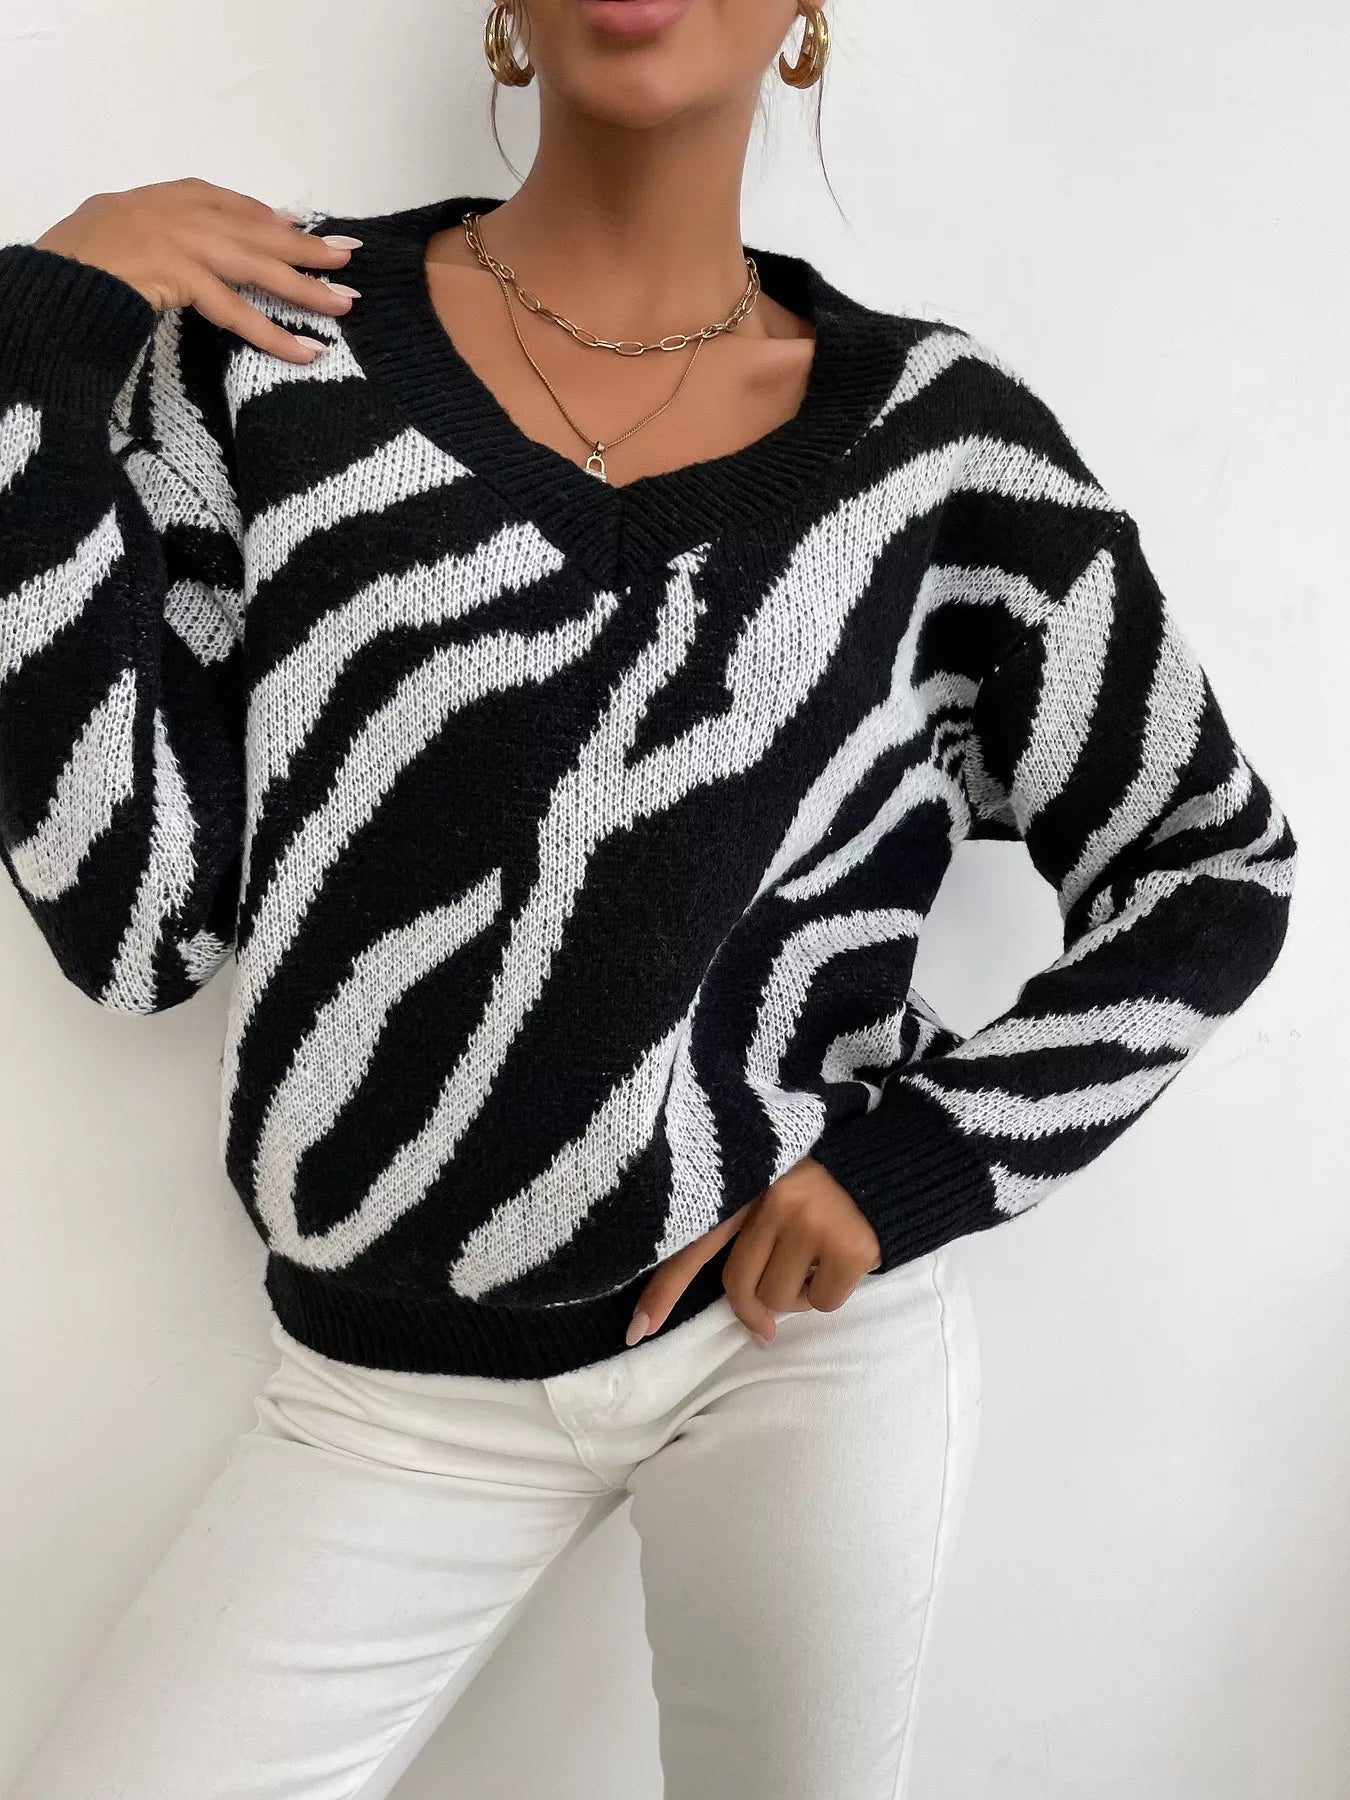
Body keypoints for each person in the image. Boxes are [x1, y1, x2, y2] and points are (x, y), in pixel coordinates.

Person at [0, 2, 1296, 1795]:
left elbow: (1208, 869)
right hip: (392, 1387)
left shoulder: (940, 451)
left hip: (788, 1353)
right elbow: (135, 927)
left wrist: (908, 1170)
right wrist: (41, 334)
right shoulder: (276, 354)